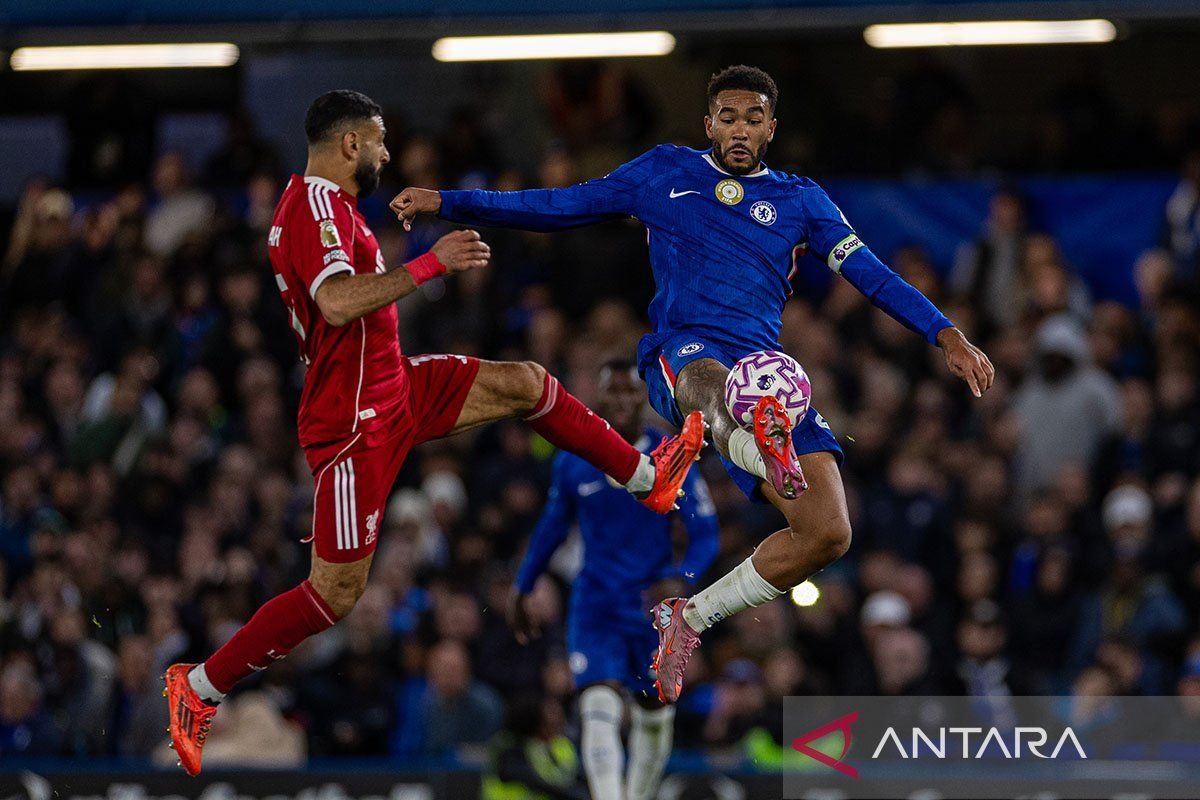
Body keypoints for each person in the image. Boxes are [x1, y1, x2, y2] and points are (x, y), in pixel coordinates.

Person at [391, 66, 994, 702]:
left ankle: (690, 618)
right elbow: (559, 205)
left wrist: (945, 333)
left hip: (763, 371)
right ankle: (756, 441)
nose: (740, 129)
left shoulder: (801, 200)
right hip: (682, 354)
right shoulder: (665, 172)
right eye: (728, 118)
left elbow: (871, 273)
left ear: (771, 128)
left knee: (828, 533)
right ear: (708, 124)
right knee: (711, 382)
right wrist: (447, 201)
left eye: (753, 118)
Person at [163, 89, 705, 776]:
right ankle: (200, 685)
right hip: (353, 424)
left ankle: (648, 478)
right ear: (351, 143)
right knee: (334, 594)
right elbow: (336, 303)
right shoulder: (315, 208)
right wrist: (429, 264)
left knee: (526, 383)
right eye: (380, 140)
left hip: (393, 385)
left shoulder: (327, 208)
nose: (386, 153)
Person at [509, 360, 719, 800]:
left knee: (653, 709)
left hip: (651, 607)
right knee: (596, 702)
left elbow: (705, 534)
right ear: (599, 396)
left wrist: (681, 578)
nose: (622, 400)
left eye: (630, 391)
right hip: (596, 602)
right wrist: (523, 585)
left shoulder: (672, 453)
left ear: (643, 397)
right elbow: (551, 529)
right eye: (613, 391)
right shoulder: (575, 458)